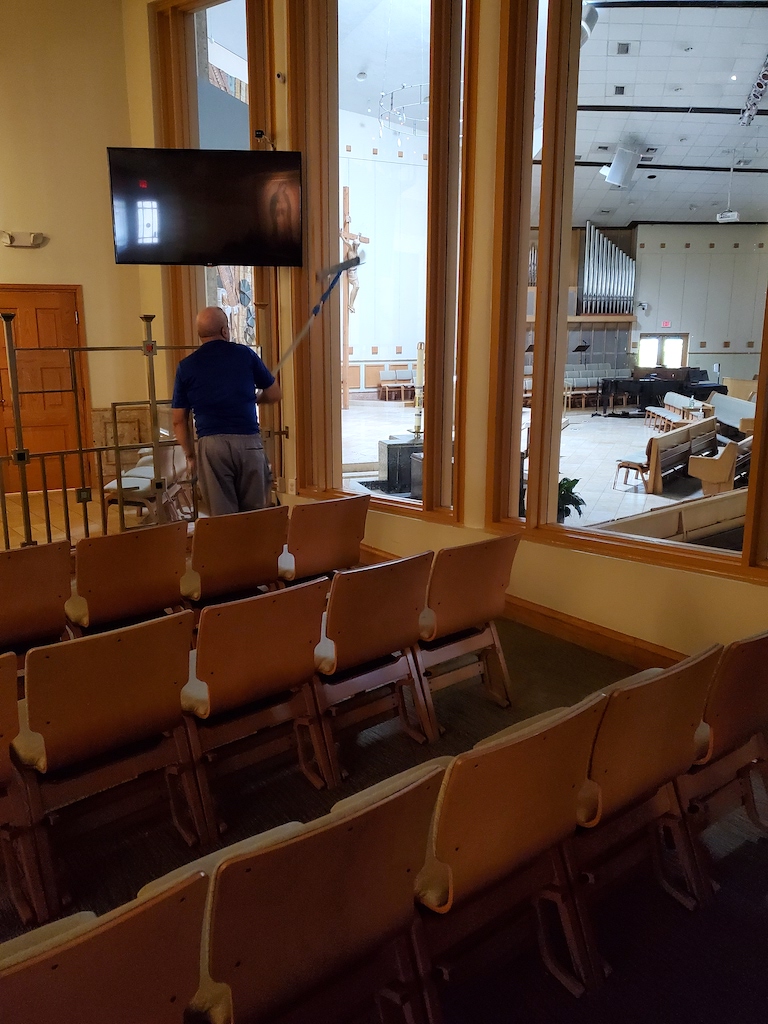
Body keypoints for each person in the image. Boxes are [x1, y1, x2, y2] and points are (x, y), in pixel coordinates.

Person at [172, 306, 281, 516]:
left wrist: (190, 456)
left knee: (224, 518)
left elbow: (179, 420)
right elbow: (275, 393)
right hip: (248, 441)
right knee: (255, 515)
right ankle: (255, 549)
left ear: (200, 334)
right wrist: (257, 398)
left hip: (212, 447)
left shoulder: (186, 366)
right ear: (224, 331)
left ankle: (230, 549)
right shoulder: (245, 355)